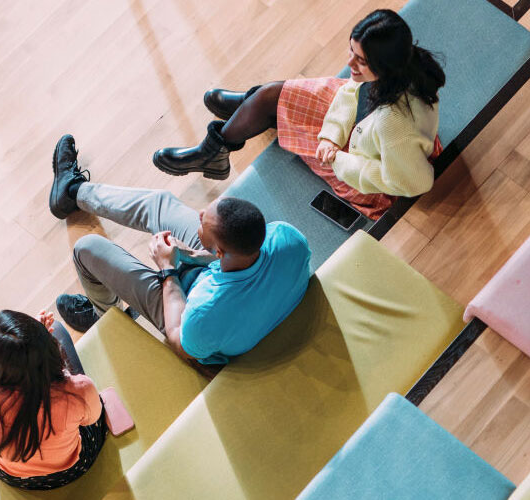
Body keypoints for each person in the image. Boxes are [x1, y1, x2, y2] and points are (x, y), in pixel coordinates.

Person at [150, 9, 446, 219]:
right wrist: (331, 134)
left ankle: (226, 138)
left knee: (272, 103)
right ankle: (248, 111)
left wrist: (339, 158)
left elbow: (415, 183)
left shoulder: (393, 123)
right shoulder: (402, 67)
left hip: (360, 165)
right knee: (271, 97)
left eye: (360, 60)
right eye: (351, 53)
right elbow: (351, 93)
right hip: (359, 131)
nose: (350, 63)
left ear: (384, 65)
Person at [47, 134, 312, 368]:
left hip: (185, 311)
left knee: (87, 248)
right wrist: (194, 256)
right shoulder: (288, 238)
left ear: (220, 251)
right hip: (218, 277)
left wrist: (168, 269)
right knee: (159, 203)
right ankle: (72, 191)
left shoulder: (203, 314)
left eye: (203, 221)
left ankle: (102, 315)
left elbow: (177, 339)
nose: (199, 213)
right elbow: (241, 260)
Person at [0, 310, 103, 490]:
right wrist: (36, 340)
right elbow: (92, 418)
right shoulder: (79, 390)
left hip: (11, 475)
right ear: (51, 353)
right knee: (59, 329)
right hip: (70, 470)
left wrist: (22, 346)